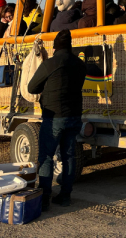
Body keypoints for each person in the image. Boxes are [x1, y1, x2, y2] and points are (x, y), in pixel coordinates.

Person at [27, 29, 86, 210]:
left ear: (54, 48)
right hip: (74, 115)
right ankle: (65, 196)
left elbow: (32, 88)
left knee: (45, 157)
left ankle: (44, 197)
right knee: (68, 156)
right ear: (70, 46)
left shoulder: (50, 64)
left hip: (54, 117)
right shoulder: (80, 64)